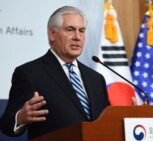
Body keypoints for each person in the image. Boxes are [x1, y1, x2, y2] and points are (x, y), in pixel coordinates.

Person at [0, 6, 110, 139]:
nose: (77, 37)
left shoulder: (96, 78)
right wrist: (20, 118)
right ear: (52, 34)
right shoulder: (29, 73)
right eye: (70, 30)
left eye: (81, 31)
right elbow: (6, 124)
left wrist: (133, 114)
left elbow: (107, 121)